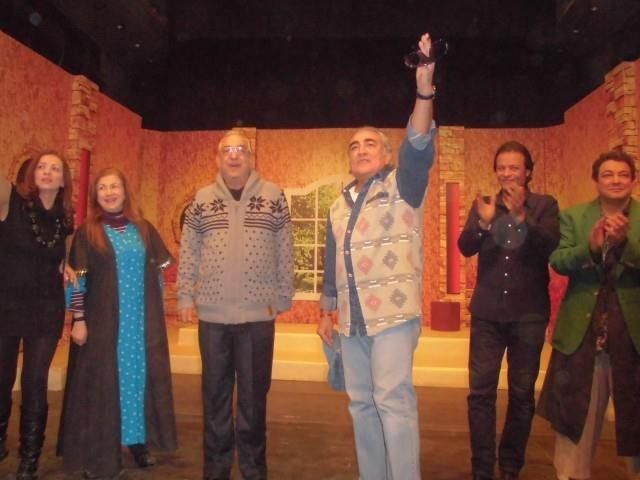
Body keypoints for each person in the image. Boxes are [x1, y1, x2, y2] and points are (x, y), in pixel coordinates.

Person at [317, 32, 437, 480]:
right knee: (361, 404)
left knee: (393, 400)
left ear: (386, 154)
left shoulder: (403, 185)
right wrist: (326, 311)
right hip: (351, 321)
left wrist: (423, 91)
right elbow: (333, 261)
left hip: (392, 315)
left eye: (370, 143)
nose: (361, 149)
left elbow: (419, 143)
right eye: (354, 145)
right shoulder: (338, 204)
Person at [177, 130, 294, 480]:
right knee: (214, 399)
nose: (233, 155)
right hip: (213, 317)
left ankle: (254, 470)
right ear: (217, 158)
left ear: (250, 157)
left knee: (254, 401)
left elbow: (285, 248)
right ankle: (216, 470)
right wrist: (185, 295)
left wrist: (283, 295)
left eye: (240, 149)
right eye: (226, 150)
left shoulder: (273, 196)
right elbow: (189, 251)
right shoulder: (201, 199)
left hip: (258, 317)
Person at [58, 167, 177, 479]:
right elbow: (77, 280)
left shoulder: (144, 229)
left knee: (136, 382)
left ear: (125, 192)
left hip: (139, 325)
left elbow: (160, 273)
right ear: (96, 196)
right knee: (103, 385)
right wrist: (79, 319)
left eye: (115, 187)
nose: (109, 193)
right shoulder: (88, 233)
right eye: (103, 188)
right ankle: (100, 448)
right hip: (103, 324)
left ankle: (136, 441)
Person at [457, 141, 560, 480]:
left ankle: (511, 466)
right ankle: (482, 469)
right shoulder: (486, 204)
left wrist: (520, 218)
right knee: (480, 394)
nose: (507, 173)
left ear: (528, 171)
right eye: (501, 167)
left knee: (521, 393)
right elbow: (465, 247)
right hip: (487, 313)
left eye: (514, 167)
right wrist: (484, 223)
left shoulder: (545, 205)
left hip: (528, 314)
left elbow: (550, 247)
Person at [537, 150, 640, 480]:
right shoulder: (574, 217)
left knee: (637, 420)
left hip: (632, 336)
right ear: (596, 180)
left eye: (623, 174)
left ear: (633, 179)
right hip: (582, 336)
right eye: (608, 174)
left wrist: (624, 245)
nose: (615, 180)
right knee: (575, 421)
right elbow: (559, 260)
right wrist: (592, 248)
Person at [0, 151, 74, 480]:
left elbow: (68, 260)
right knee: (1, 378)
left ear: (63, 180)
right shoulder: (11, 200)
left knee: (34, 381)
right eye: (41, 166)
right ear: (31, 172)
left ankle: (29, 457)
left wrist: (71, 268)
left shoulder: (65, 218)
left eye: (55, 168)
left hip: (45, 309)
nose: (47, 172)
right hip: (6, 305)